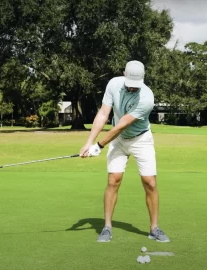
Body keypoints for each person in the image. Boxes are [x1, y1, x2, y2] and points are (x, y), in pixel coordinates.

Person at [79, 60, 170, 243]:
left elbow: (122, 125)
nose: (132, 90)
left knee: (150, 182)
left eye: (135, 87)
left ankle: (154, 228)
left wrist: (100, 145)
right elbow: (104, 114)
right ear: (123, 75)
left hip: (141, 139)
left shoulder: (147, 98)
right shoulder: (113, 84)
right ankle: (107, 228)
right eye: (129, 86)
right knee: (113, 180)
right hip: (118, 141)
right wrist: (89, 143)